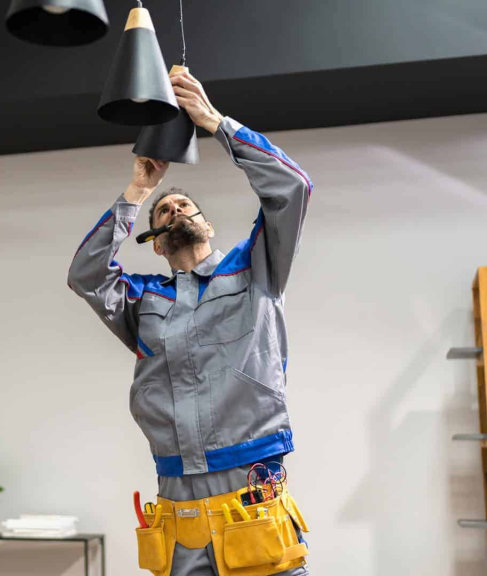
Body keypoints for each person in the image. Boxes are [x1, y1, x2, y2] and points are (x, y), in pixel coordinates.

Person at [67, 70, 313, 576]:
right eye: (164, 210)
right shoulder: (144, 299)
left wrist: (216, 123)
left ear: (207, 225)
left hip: (252, 488)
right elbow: (86, 275)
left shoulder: (256, 267)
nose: (174, 207)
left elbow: (292, 187)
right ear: (156, 243)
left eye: (185, 205)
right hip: (177, 505)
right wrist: (139, 191)